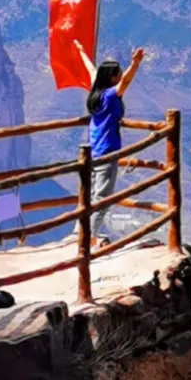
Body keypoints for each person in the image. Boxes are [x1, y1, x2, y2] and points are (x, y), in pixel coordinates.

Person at [74, 43, 145, 238]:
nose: (121, 76)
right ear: (112, 78)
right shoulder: (111, 95)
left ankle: (78, 233)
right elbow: (127, 81)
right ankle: (89, 237)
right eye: (118, 73)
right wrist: (135, 63)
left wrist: (81, 51)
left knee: (89, 196)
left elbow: (91, 70)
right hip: (107, 150)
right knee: (102, 198)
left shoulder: (95, 93)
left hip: (93, 150)